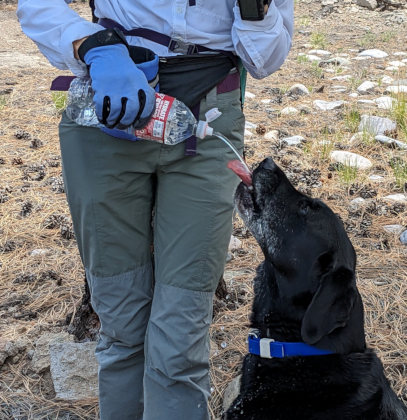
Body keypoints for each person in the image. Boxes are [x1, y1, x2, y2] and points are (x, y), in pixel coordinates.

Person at [17, 1, 294, 419]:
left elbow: (265, 60)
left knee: (181, 334)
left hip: (209, 117)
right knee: (122, 325)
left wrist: (255, 10)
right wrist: (94, 45)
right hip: (108, 110)